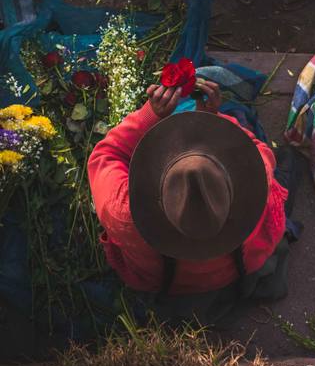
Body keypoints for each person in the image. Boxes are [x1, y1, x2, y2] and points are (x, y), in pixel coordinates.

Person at [88, 80, 296, 325]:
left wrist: (150, 114)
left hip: (165, 284)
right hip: (236, 272)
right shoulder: (258, 185)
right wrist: (214, 118)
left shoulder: (124, 210)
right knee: (286, 162)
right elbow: (257, 148)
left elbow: (105, 155)